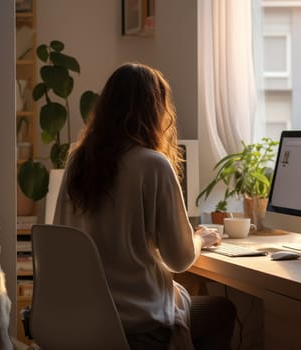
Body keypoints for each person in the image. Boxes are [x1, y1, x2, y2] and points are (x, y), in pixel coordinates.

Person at [53, 62, 236, 349]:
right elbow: (179, 259)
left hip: (81, 323)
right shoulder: (152, 164)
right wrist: (199, 237)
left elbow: (62, 239)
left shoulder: (78, 161)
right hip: (137, 326)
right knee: (222, 311)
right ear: (155, 111)